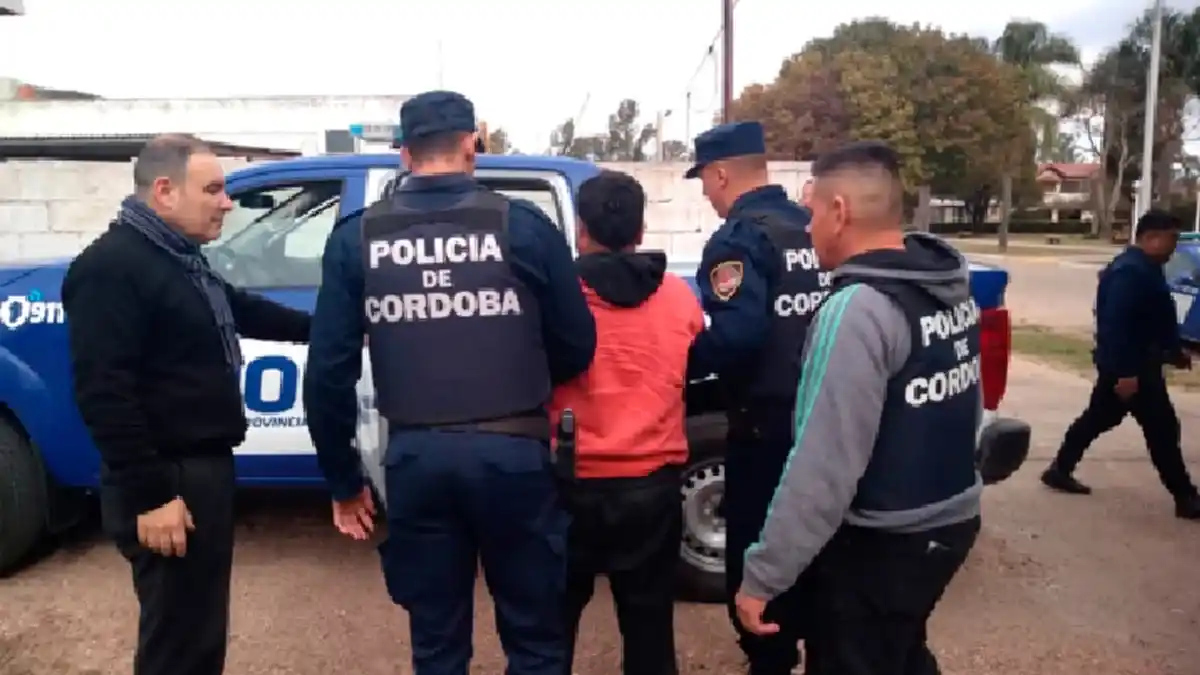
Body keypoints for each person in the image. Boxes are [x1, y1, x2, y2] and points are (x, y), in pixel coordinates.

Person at [302, 90, 597, 675]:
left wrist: (344, 481)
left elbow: (328, 373)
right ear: (471, 146)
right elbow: (576, 344)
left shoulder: (357, 237)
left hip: (417, 459)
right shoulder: (524, 227)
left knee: (437, 645)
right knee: (536, 640)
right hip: (514, 455)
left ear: (404, 154)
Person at [63, 134, 312, 675]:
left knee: (199, 637)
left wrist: (332, 329)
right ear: (164, 191)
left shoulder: (177, 259)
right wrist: (152, 496)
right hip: (167, 479)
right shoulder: (111, 268)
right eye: (214, 190)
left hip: (201, 473)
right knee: (177, 647)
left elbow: (239, 308)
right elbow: (104, 392)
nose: (227, 203)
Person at [733, 141, 982, 675]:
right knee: (900, 653)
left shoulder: (858, 309)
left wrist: (764, 577)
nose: (808, 228)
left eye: (812, 213)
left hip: (882, 542)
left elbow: (823, 467)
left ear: (839, 211)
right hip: (951, 519)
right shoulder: (945, 287)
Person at [684, 121, 826, 675]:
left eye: (703, 179)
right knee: (818, 543)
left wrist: (679, 365)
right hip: (824, 419)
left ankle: (770, 659)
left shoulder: (739, 240)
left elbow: (736, 336)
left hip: (766, 430)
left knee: (755, 552)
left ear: (721, 174)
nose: (704, 192)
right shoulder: (810, 227)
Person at [549, 170, 705, 675]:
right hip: (651, 486)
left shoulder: (557, 296)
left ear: (581, 230)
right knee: (649, 627)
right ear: (640, 230)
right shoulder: (679, 297)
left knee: (551, 629)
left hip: (568, 480)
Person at [1042, 209, 1200, 519]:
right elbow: (1116, 326)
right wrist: (1126, 373)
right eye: (1171, 239)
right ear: (1151, 238)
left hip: (1133, 365)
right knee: (1163, 429)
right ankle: (1186, 497)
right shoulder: (1130, 272)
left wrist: (1174, 352)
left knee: (1098, 419)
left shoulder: (1146, 268)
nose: (1174, 247)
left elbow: (1150, 320)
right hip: (1132, 369)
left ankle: (1059, 469)